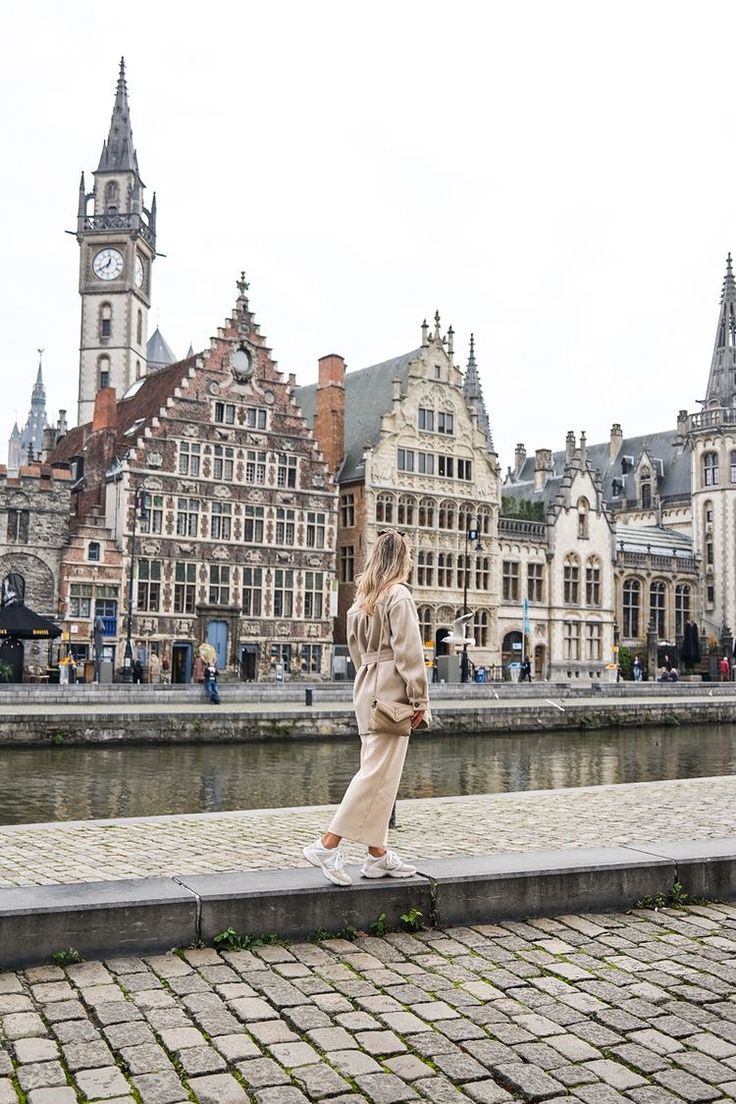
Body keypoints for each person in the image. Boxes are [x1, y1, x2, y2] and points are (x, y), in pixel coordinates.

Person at [303, 529, 429, 886]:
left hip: (366, 688)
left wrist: (371, 676)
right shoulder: (399, 596)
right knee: (375, 775)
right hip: (392, 692)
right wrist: (419, 698)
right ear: (402, 560)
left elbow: (356, 652)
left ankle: (377, 855)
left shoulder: (360, 602)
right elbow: (409, 652)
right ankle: (327, 845)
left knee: (381, 774)